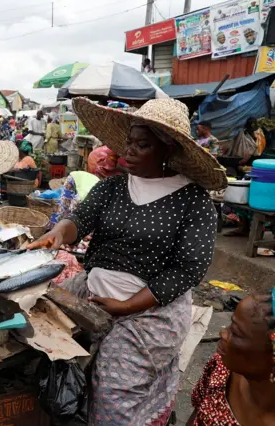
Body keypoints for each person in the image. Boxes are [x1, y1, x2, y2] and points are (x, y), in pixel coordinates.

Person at [29, 97, 226, 425]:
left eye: (142, 145)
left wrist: (129, 305)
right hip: (91, 293)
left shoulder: (193, 201)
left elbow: (188, 268)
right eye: (129, 143)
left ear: (168, 150)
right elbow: (80, 220)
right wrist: (59, 235)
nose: (129, 151)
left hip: (151, 312)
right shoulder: (113, 187)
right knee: (38, 339)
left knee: (111, 385)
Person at [187, 293, 275, 425]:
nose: (222, 333)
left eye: (236, 332)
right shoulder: (221, 370)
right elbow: (197, 414)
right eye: (231, 324)